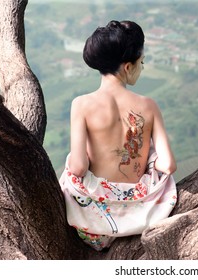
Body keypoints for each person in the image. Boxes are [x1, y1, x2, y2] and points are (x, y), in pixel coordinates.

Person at [59, 20, 177, 251]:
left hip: (94, 226)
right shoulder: (149, 106)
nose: (141, 68)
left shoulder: (81, 104)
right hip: (142, 216)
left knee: (72, 159)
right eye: (141, 62)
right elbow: (169, 165)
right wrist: (150, 156)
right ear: (127, 67)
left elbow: (79, 168)